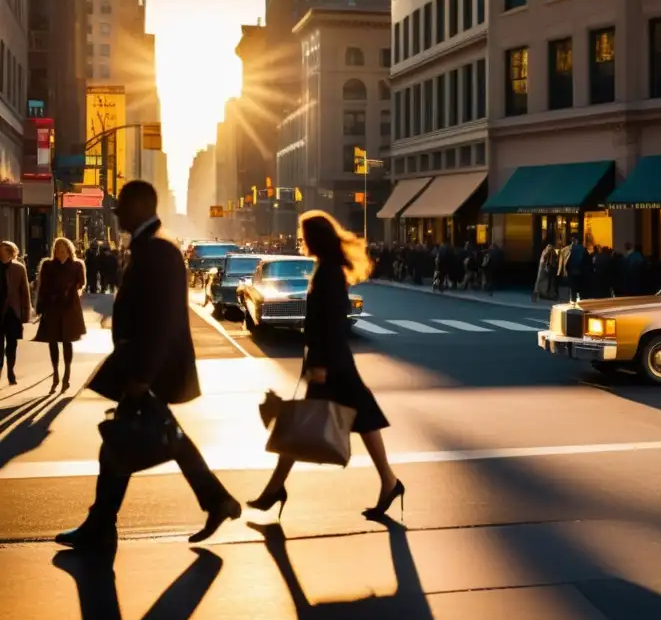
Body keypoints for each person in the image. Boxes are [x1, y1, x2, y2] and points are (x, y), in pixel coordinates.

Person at [56, 181, 241, 552]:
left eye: (122, 205)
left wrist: (142, 376)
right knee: (148, 442)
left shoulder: (158, 249)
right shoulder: (151, 245)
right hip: (141, 366)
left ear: (139, 206)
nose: (116, 212)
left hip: (147, 368)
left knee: (119, 448)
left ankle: (102, 526)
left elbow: (162, 320)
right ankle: (214, 501)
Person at [248, 210, 403, 520]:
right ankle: (389, 482)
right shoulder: (327, 268)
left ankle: (275, 489)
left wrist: (318, 365)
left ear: (314, 238)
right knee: (361, 418)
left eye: (304, 235)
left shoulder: (328, 272)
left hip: (330, 362)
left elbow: (330, 322)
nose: (300, 240)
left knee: (302, 425)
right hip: (332, 359)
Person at [33, 237, 87, 394]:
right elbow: (42, 287)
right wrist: (40, 307)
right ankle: (55, 373)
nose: (60, 253)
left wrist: (70, 289)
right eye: (57, 250)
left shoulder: (77, 265)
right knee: (52, 341)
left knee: (67, 341)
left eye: (63, 250)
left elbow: (81, 283)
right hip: (52, 307)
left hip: (70, 308)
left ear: (69, 251)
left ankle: (67, 376)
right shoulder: (48, 265)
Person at [0, 241, 31, 386]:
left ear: (12, 253)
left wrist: (25, 314)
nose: (2, 254)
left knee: (12, 344)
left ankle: (10, 370)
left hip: (13, 312)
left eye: (5, 252)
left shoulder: (19, 269)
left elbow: (25, 292)